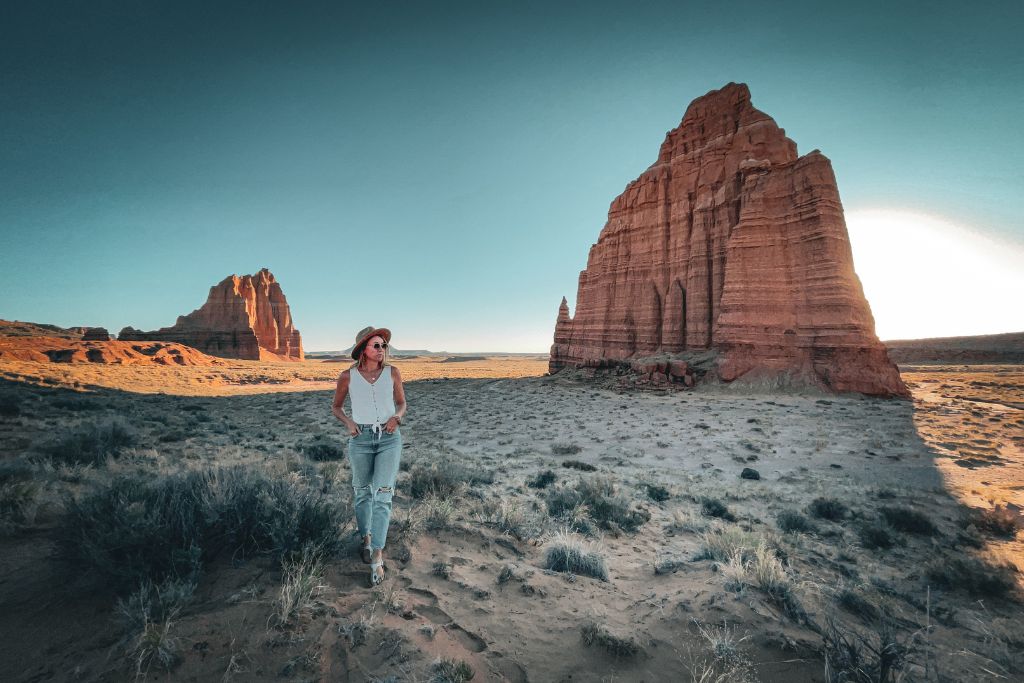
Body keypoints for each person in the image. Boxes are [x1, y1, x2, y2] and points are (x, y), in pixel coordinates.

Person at [331, 326, 407, 586]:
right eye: (376, 345)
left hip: (388, 439)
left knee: (383, 494)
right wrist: (349, 423)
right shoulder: (347, 377)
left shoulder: (393, 373)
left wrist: (397, 417)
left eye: (384, 346)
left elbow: (401, 403)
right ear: (363, 349)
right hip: (360, 439)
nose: (381, 350)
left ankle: (377, 555)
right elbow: (336, 407)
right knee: (362, 491)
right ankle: (365, 537)